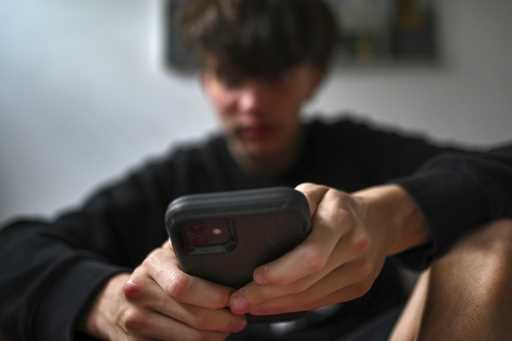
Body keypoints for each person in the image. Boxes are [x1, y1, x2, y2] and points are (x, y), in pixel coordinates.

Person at [0, 1, 511, 340]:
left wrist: (388, 217)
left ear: (312, 78)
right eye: (232, 77)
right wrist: (103, 302)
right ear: (205, 80)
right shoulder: (174, 179)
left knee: (494, 246)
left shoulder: (358, 149)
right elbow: (14, 250)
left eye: (275, 76)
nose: (252, 103)